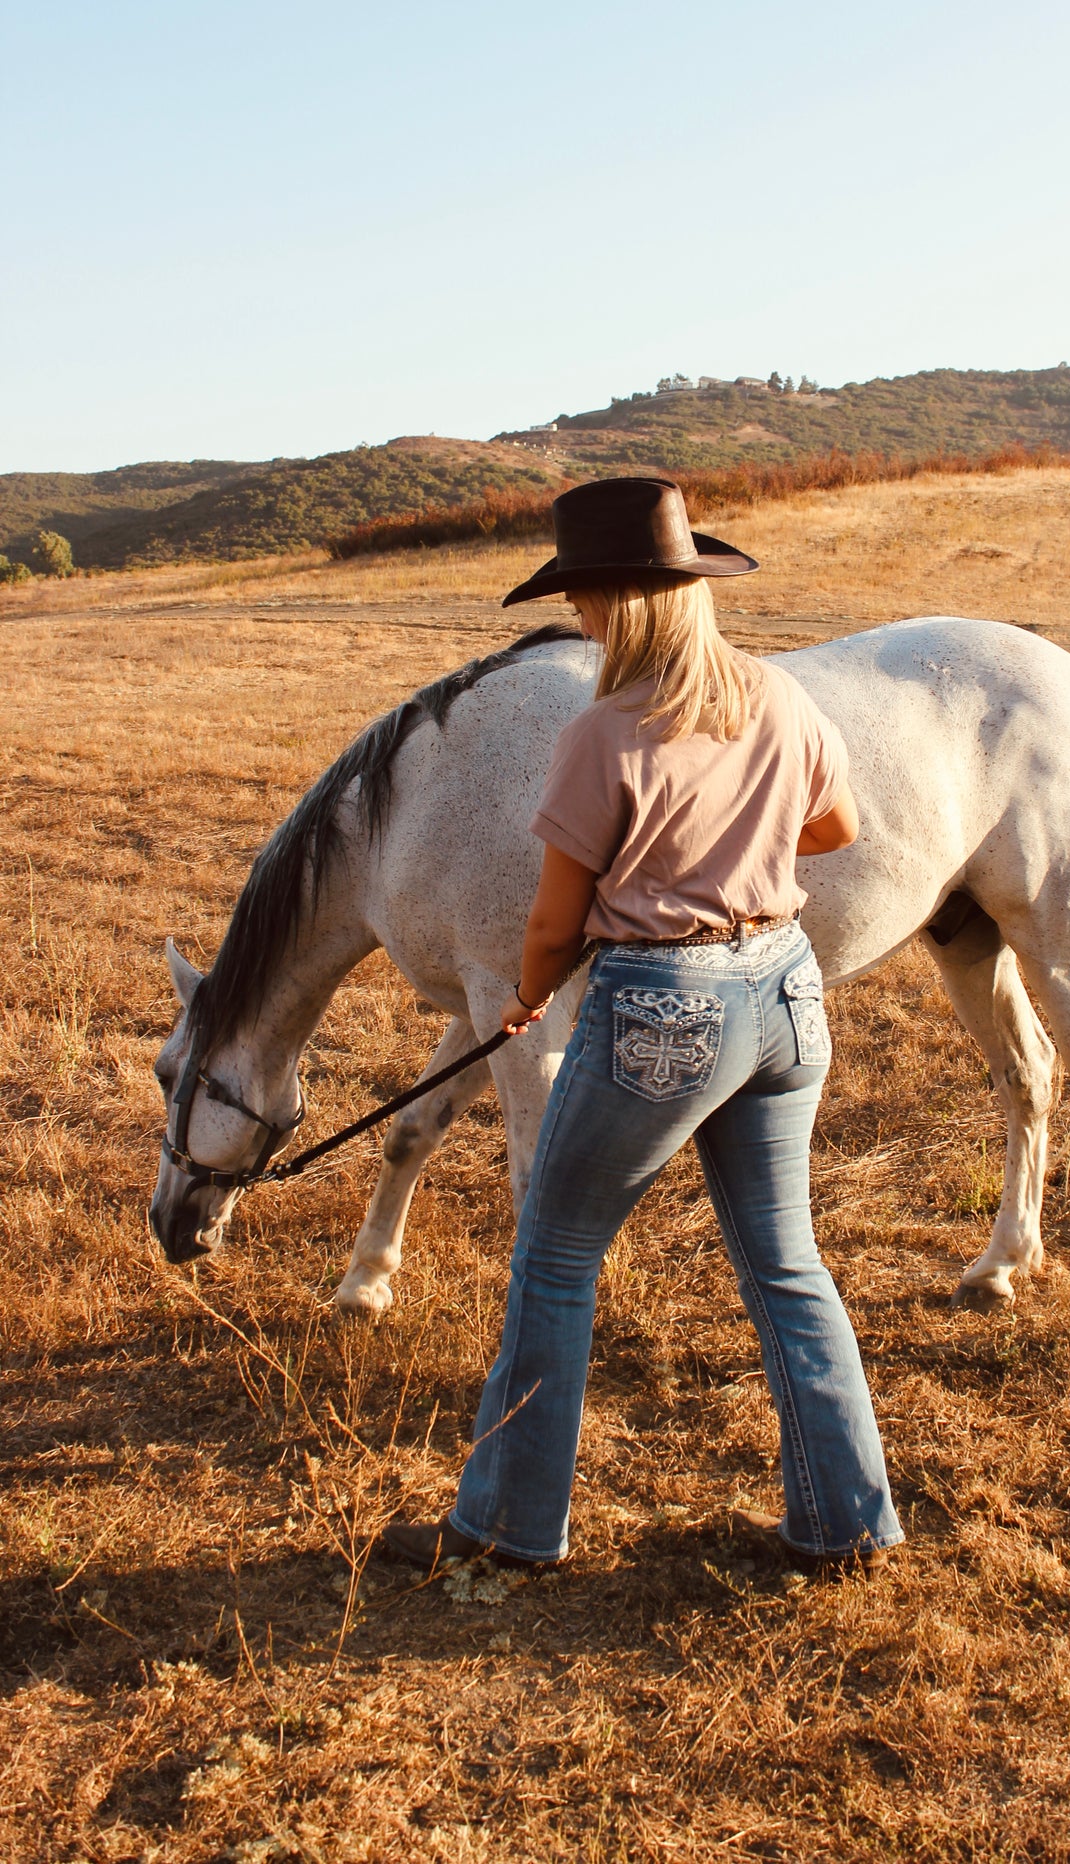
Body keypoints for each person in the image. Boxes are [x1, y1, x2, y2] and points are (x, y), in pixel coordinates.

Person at [383, 476, 901, 1576]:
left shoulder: (601, 734)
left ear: (624, 601)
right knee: (786, 1262)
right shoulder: (779, 697)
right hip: (787, 993)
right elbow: (838, 826)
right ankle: (846, 1521)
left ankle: (505, 1528)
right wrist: (736, 852)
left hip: (662, 1007)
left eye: (582, 596)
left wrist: (529, 995)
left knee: (554, 1258)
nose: (574, 616)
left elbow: (553, 920)